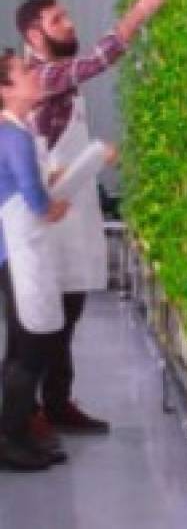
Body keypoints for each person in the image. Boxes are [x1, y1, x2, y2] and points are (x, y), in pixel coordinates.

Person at [7, 0, 166, 437]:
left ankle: (55, 403)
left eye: (65, 15)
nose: (69, 23)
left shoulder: (49, 74)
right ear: (34, 35)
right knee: (38, 321)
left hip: (68, 208)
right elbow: (98, 60)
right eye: (57, 20)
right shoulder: (41, 77)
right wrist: (141, 11)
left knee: (68, 308)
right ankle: (28, 413)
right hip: (46, 214)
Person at [0, 51, 71, 469]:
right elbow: (33, 196)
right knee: (32, 349)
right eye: (24, 72)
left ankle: (19, 431)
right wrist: (51, 207)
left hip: (13, 251)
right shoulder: (15, 136)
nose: (35, 75)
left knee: (21, 347)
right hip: (19, 251)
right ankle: (9, 439)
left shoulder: (15, 131)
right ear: (5, 89)